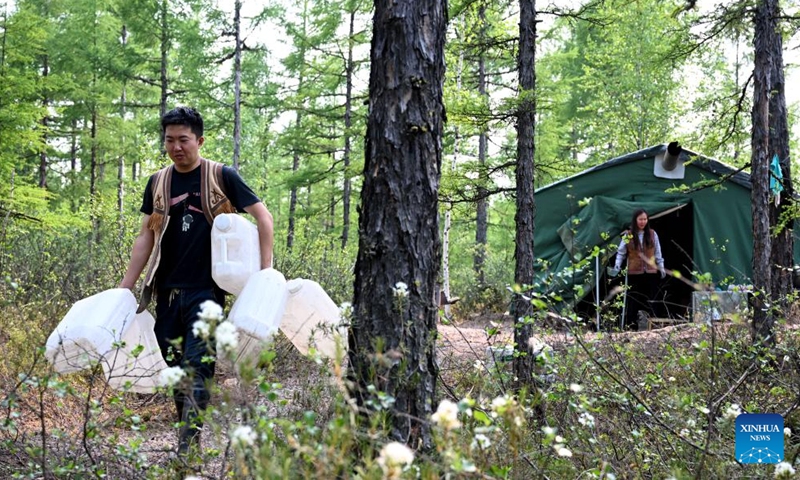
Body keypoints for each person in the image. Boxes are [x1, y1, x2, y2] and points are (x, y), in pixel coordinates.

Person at [119, 106, 274, 456]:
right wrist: (125, 288)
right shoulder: (158, 182)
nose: (176, 147)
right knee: (175, 370)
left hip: (207, 293)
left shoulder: (222, 175)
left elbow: (264, 217)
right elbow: (145, 236)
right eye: (170, 140)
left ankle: (188, 446)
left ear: (199, 140)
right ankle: (187, 439)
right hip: (167, 293)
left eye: (184, 140)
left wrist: (266, 273)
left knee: (198, 365)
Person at [610, 209, 665, 330]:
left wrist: (661, 267)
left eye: (645, 219)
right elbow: (621, 252)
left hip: (650, 272)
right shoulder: (628, 235)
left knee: (652, 299)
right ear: (635, 220)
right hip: (634, 273)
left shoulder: (652, 234)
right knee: (633, 300)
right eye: (640, 219)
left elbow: (658, 252)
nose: (643, 222)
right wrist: (617, 265)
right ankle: (631, 327)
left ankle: (653, 327)